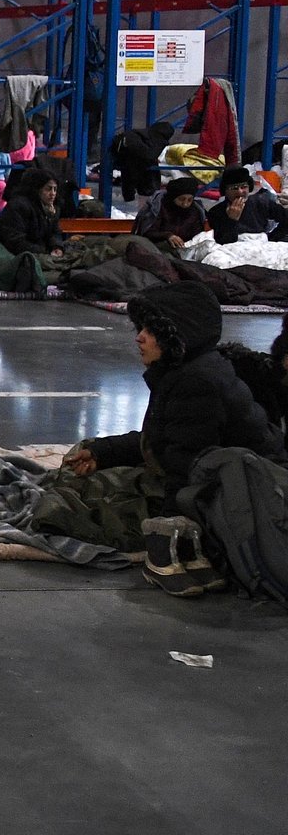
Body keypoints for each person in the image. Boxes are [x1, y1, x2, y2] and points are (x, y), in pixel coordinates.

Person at [63, 283, 283, 595]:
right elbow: (168, 438)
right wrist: (103, 452)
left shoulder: (195, 383)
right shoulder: (189, 371)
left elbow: (186, 469)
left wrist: (165, 534)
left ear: (177, 334)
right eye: (141, 328)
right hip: (231, 486)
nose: (139, 337)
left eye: (151, 330)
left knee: (76, 507)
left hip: (240, 498)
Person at [206, 167, 288, 244]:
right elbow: (224, 242)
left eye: (244, 187)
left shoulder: (261, 202)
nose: (240, 191)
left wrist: (271, 238)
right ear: (225, 190)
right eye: (234, 188)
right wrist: (231, 221)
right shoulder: (215, 212)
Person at [0, 173, 66, 257]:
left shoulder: (51, 208)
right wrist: (46, 252)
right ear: (38, 189)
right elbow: (14, 241)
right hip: (15, 255)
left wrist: (57, 247)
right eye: (48, 189)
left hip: (40, 252)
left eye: (55, 189)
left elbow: (54, 232)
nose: (53, 193)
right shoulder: (18, 206)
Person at [136, 176, 206, 251]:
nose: (185, 204)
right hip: (156, 248)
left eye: (189, 200)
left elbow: (197, 235)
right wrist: (168, 236)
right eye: (181, 199)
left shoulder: (194, 211)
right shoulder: (159, 208)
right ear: (173, 197)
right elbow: (148, 232)